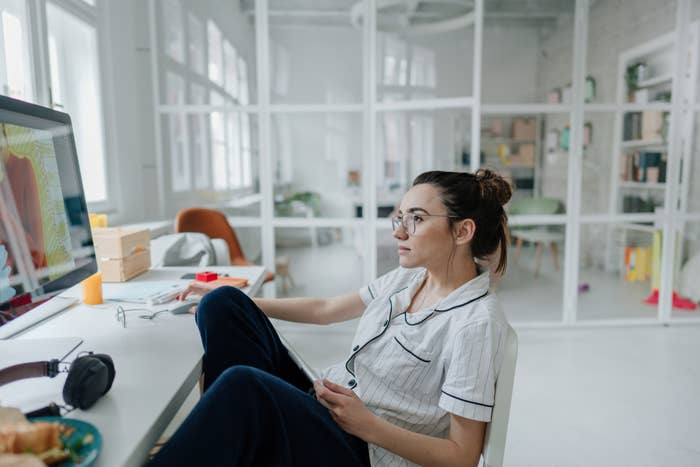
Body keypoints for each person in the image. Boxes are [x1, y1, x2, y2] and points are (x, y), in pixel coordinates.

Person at [149, 169, 512, 467]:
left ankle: (227, 440)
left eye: (416, 219)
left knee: (243, 386)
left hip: (362, 450)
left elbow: (462, 457)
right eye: (400, 217)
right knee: (223, 304)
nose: (399, 231)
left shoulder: (475, 323)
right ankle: (230, 444)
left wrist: (368, 425)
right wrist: (245, 300)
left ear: (463, 231)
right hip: (325, 401)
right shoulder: (410, 277)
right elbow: (326, 310)